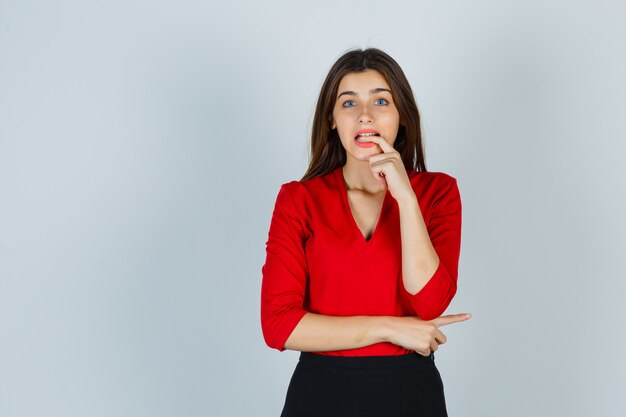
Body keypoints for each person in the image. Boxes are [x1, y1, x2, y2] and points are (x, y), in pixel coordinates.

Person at [260, 47, 472, 417]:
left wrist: (405, 196)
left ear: (401, 115)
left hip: (411, 394)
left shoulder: (437, 193)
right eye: (349, 103)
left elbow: (430, 302)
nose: (365, 116)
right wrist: (392, 329)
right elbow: (279, 326)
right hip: (319, 395)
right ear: (331, 119)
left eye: (381, 100)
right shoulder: (298, 200)